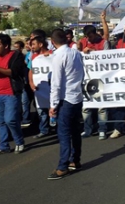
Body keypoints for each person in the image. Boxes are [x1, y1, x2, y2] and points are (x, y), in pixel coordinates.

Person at [47, 29, 85, 180]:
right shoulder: (75, 53)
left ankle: (63, 167)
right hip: (76, 97)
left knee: (64, 134)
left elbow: (56, 83)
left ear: (52, 41)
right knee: (75, 131)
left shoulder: (59, 56)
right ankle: (75, 160)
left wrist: (53, 105)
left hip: (66, 99)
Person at [0, 34, 26, 155]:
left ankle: (19, 141)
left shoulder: (16, 56)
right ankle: (3, 145)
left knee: (10, 120)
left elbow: (13, 72)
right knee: (0, 121)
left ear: (6, 45)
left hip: (11, 93)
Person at [78, 25, 110, 140]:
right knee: (86, 106)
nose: (89, 39)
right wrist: (80, 50)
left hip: (101, 78)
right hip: (86, 78)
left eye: (90, 36)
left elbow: (108, 58)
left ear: (95, 33)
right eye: (87, 37)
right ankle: (88, 129)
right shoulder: (82, 42)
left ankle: (102, 129)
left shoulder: (104, 42)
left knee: (101, 106)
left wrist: (94, 51)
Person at [29, 35, 53, 138]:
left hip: (52, 88)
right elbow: (31, 70)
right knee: (41, 111)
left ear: (41, 44)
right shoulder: (34, 57)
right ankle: (44, 130)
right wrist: (31, 82)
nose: (32, 47)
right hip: (39, 89)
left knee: (54, 109)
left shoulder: (54, 55)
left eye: (34, 44)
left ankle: (57, 128)